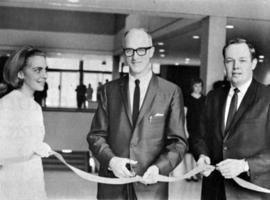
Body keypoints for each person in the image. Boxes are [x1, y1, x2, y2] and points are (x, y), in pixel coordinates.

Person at [87, 28, 187, 200]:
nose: (135, 56)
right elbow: (95, 136)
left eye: (141, 50)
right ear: (124, 53)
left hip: (152, 188)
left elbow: (178, 143)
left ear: (151, 51)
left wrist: (158, 168)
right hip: (113, 187)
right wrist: (112, 161)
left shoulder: (171, 92)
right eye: (129, 50)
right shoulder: (109, 91)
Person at [190, 38, 270, 200]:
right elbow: (200, 136)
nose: (236, 66)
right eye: (230, 61)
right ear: (224, 64)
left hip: (251, 193)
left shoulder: (267, 97)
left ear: (253, 63)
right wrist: (202, 155)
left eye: (242, 60)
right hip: (213, 191)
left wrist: (245, 165)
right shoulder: (213, 97)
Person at [0, 46, 51, 200]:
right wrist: (32, 149)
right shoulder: (6, 105)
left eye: (45, 70)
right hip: (11, 186)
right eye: (37, 70)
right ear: (20, 73)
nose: (44, 75)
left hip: (33, 182)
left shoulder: (35, 107)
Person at [183, 78, 205, 181]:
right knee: (188, 153)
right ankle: (188, 174)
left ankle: (195, 174)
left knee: (198, 152)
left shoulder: (204, 99)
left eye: (200, 86)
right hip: (190, 129)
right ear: (192, 86)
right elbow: (184, 115)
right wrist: (185, 130)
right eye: (196, 86)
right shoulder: (187, 99)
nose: (198, 88)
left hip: (201, 129)